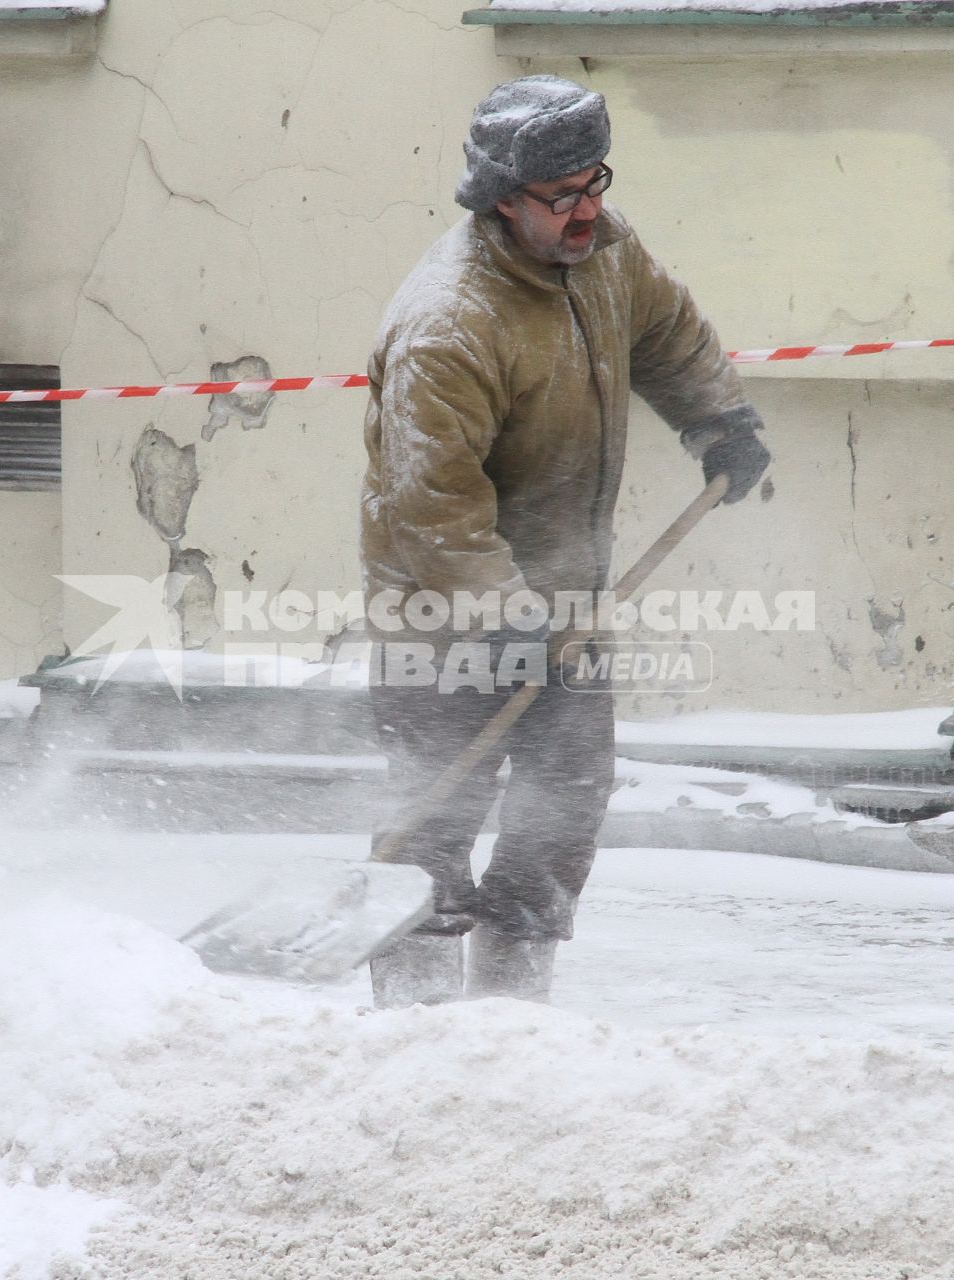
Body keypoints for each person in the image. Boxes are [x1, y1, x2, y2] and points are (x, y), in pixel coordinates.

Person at [360, 75, 771, 1007]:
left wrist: (718, 420)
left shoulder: (605, 252)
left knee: (565, 807)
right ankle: (412, 1024)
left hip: (570, 597)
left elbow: (665, 329)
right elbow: (431, 503)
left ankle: (514, 1016)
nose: (589, 209)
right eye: (563, 196)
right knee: (438, 813)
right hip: (442, 614)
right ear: (503, 199)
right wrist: (500, 621)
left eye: (596, 182)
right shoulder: (449, 325)